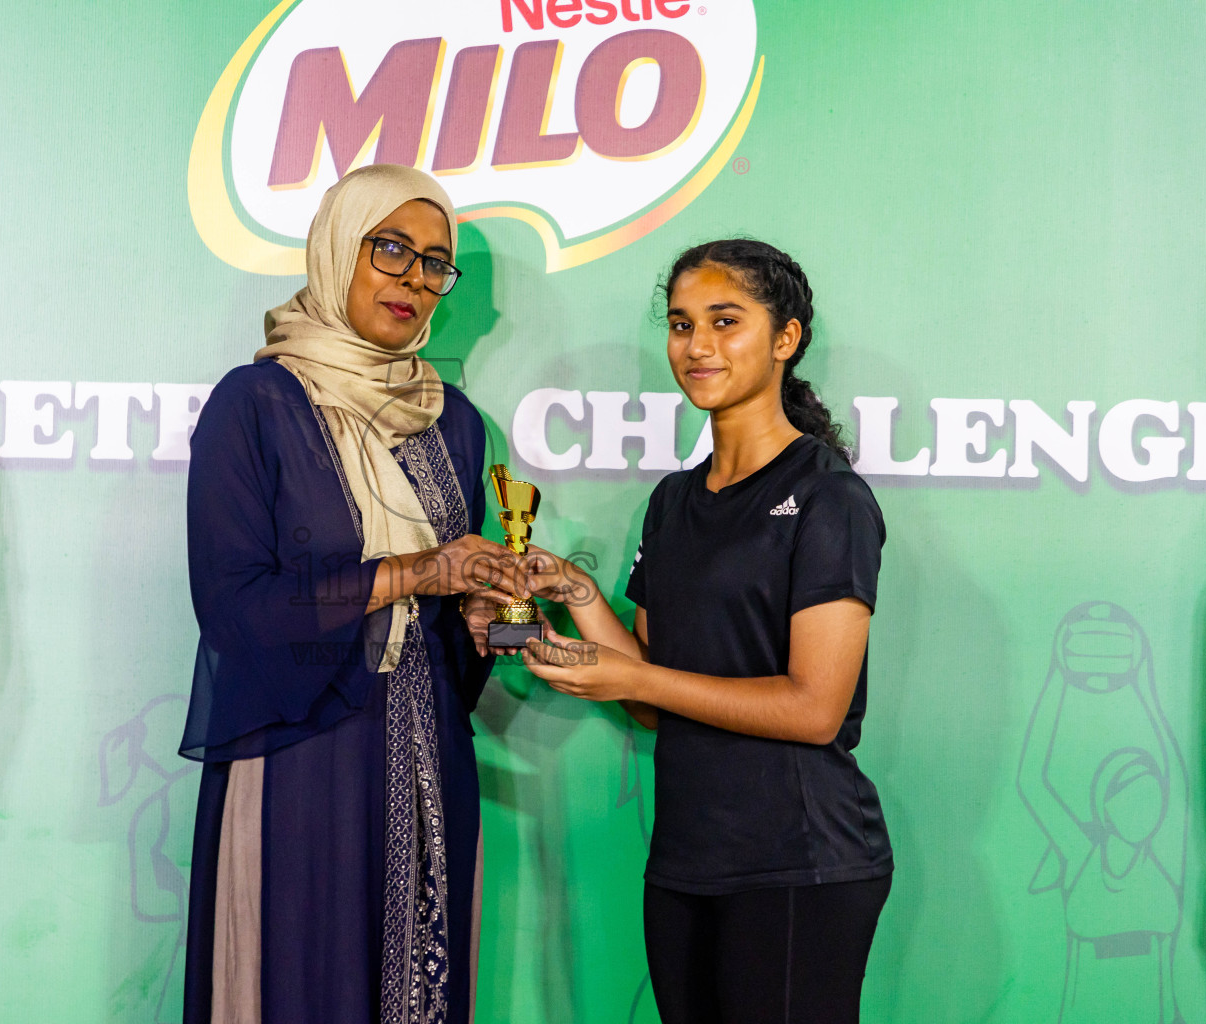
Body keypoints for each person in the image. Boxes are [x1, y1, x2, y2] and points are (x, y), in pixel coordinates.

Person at [507, 240, 894, 1024]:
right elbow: (652, 695)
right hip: (685, 864)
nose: (698, 346)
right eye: (682, 325)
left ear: (785, 339)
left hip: (801, 864)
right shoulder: (673, 502)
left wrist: (638, 679)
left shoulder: (829, 498)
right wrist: (578, 595)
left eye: (726, 321)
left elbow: (816, 707)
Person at [179, 164, 524, 1024]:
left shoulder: (456, 420)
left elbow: (442, 622)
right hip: (300, 754)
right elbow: (233, 612)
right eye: (391, 249)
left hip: (426, 760)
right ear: (339, 249)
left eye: (434, 262)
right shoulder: (255, 404)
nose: (413, 279)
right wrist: (417, 572)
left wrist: (476, 611)